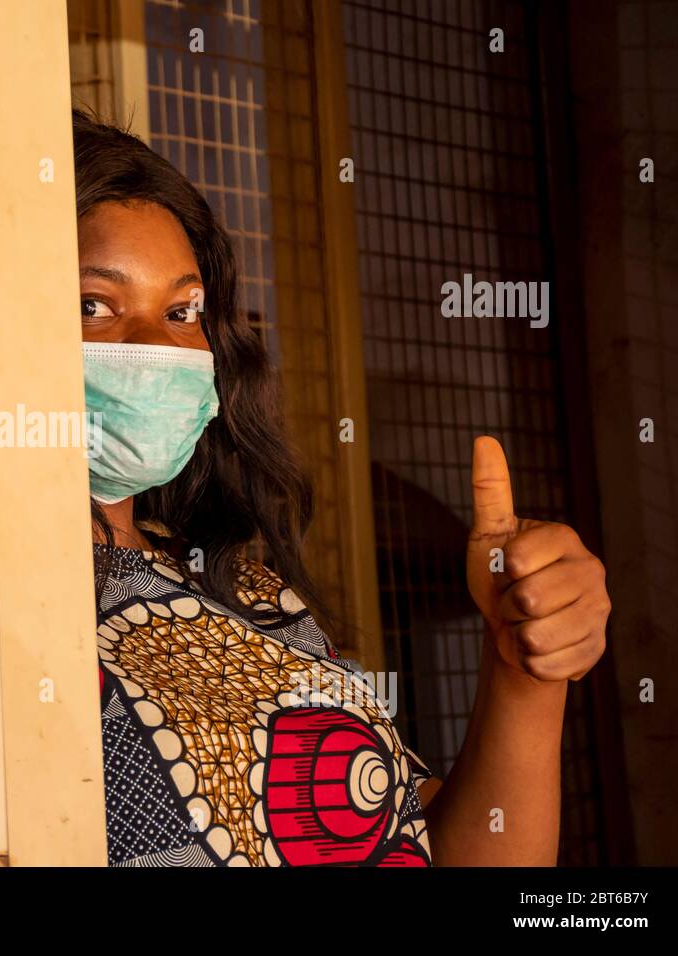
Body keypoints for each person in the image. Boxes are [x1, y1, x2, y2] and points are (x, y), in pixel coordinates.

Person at [73, 109, 611, 867]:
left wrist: (522, 669)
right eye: (94, 304)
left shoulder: (253, 597)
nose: (157, 349)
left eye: (181, 311)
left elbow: (432, 853)